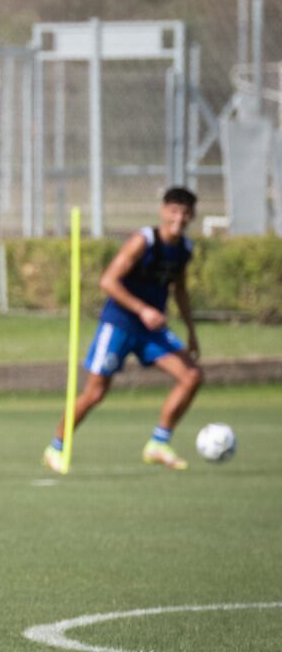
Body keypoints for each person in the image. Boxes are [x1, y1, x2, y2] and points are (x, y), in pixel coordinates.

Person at [43, 187, 203, 472]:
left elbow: (180, 290)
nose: (179, 218)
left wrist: (191, 332)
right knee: (95, 393)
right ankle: (56, 446)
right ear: (163, 211)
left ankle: (159, 443)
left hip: (151, 330)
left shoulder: (184, 249)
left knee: (191, 376)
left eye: (185, 212)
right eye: (174, 211)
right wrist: (142, 309)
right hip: (120, 324)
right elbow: (108, 281)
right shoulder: (143, 241)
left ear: (192, 216)